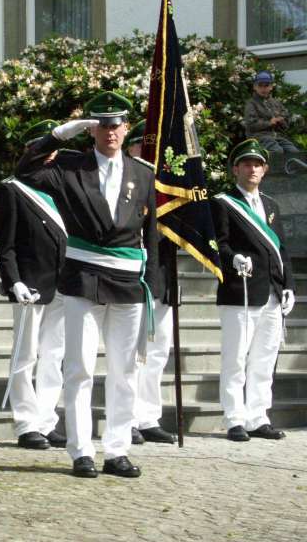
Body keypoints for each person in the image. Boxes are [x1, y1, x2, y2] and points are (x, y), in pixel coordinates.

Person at [17, 91, 158, 479]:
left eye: (116, 125)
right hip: (83, 278)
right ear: (91, 130)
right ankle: (81, 450)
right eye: (102, 125)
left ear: (126, 128)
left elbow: (150, 232)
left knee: (124, 370)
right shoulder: (70, 166)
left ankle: (117, 450)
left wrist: (154, 281)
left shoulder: (143, 173)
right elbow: (25, 172)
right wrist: (58, 135)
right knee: (79, 368)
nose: (110, 131)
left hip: (128, 280)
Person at [211, 139, 296, 442]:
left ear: (265, 170)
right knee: (235, 358)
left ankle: (258, 416)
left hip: (271, 291)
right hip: (240, 291)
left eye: (257, 164)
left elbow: (281, 249)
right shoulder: (223, 202)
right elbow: (217, 244)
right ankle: (234, 418)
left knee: (264, 358)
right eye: (246, 164)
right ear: (235, 169)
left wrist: (289, 285)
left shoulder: (271, 205)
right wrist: (232, 257)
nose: (252, 169)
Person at [0, 120, 67, 450]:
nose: (49, 156)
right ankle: (26, 423)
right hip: (30, 284)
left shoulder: (59, 188)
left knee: (54, 356)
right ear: (28, 151)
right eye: (42, 148)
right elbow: (6, 245)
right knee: (25, 355)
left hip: (62, 283)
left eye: (52, 149)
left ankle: (47, 419)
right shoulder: (13, 189)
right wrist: (13, 281)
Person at [124, 121, 176, 445]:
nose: (148, 154)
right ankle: (127, 417)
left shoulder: (166, 187)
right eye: (142, 147)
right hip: (130, 275)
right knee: (132, 352)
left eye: (152, 149)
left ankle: (148, 416)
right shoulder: (124, 180)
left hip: (160, 276)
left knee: (157, 351)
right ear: (130, 149)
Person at [243, 70, 300, 153]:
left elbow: (286, 122)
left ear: (271, 87)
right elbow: (250, 124)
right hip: (259, 137)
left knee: (294, 152)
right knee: (277, 151)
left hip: (277, 137)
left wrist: (281, 120)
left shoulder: (276, 102)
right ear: (254, 87)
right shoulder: (251, 103)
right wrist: (269, 123)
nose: (263, 88)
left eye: (266, 85)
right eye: (260, 85)